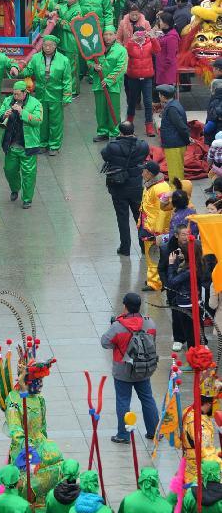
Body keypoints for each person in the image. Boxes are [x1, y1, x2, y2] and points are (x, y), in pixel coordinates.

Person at [100, 292, 160, 444]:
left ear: (125, 306)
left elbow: (105, 342)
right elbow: (152, 340)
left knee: (123, 401)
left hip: (123, 370)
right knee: (147, 398)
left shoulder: (118, 326)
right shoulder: (150, 323)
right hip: (143, 369)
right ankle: (154, 431)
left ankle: (124, 435)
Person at [101, 121, 149, 256]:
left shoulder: (113, 147)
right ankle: (144, 246)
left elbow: (105, 155)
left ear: (120, 132)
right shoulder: (142, 145)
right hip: (136, 187)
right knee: (140, 218)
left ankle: (125, 247)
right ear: (133, 131)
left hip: (118, 187)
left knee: (122, 217)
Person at [22, 34, 72, 154]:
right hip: (41, 95)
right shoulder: (35, 58)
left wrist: (67, 96)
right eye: (45, 45)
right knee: (41, 120)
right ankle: (42, 143)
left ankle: (54, 145)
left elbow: (67, 80)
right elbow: (28, 71)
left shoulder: (64, 60)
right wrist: (17, 69)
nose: (47, 47)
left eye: (50, 45)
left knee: (56, 121)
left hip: (56, 95)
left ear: (55, 46)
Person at [0, 80, 44, 208]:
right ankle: (15, 188)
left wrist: (23, 112)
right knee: (9, 170)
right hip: (11, 145)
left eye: (17, 94)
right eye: (14, 94)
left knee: (29, 174)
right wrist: (3, 115)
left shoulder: (35, 104)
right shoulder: (8, 101)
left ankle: (27, 199)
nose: (15, 97)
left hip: (28, 145)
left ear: (24, 93)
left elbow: (38, 120)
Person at [180, 372, 222, 484]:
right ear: (208, 404)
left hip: (188, 461)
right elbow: (206, 451)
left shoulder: (188, 410)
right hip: (198, 468)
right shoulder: (200, 423)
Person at [138, 161, 172, 291]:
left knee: (153, 256)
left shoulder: (159, 188)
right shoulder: (152, 185)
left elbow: (164, 211)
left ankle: (155, 283)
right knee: (151, 255)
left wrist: (158, 231)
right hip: (148, 225)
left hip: (154, 229)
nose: (142, 173)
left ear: (150, 174)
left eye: (144, 171)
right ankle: (154, 279)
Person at [88, 30, 128, 141]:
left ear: (115, 35)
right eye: (105, 34)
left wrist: (109, 80)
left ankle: (114, 132)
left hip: (113, 86)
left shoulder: (121, 50)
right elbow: (89, 61)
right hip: (98, 84)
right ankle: (102, 132)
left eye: (111, 34)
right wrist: (93, 66)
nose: (108, 37)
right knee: (100, 110)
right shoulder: (96, 48)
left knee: (113, 109)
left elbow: (121, 67)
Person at [156, 84, 190, 184]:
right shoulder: (174, 104)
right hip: (176, 143)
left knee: (175, 173)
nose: (159, 96)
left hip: (174, 145)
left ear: (163, 96)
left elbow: (181, 127)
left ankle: (176, 194)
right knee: (177, 170)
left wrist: (187, 139)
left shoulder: (172, 109)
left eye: (159, 95)